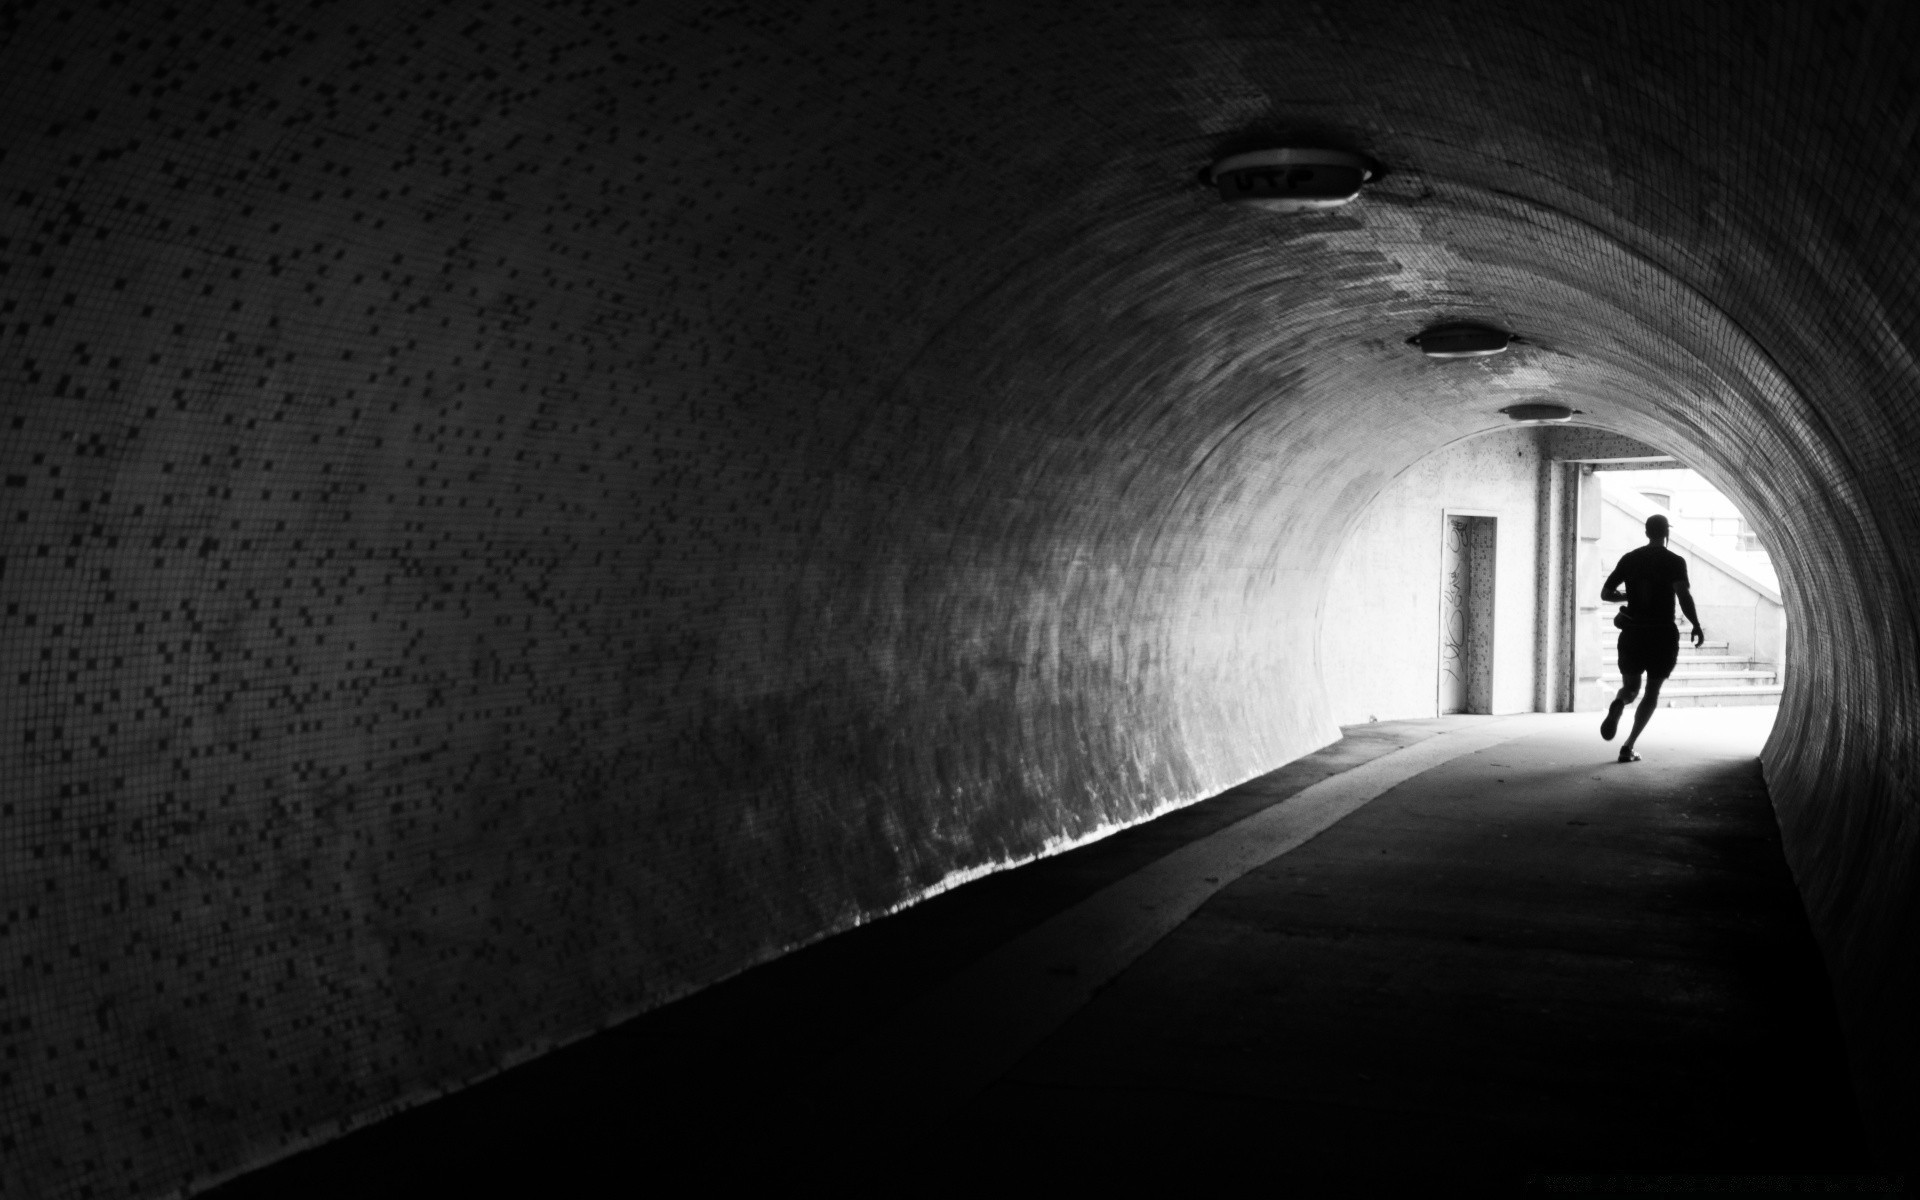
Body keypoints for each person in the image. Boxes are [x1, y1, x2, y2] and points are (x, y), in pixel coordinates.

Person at [1599, 513, 1704, 762]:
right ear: (1666, 533)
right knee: (1652, 691)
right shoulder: (1675, 561)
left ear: (1646, 533)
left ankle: (1619, 703)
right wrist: (1696, 624)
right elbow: (1683, 595)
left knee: (1630, 688)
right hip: (1661, 634)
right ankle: (1628, 746)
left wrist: (1630, 596)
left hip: (1633, 632)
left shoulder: (1630, 559)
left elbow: (1606, 593)